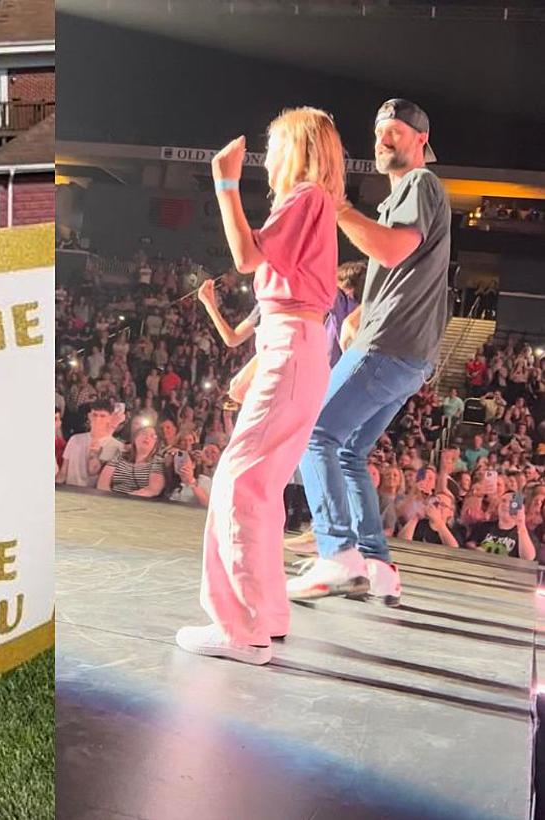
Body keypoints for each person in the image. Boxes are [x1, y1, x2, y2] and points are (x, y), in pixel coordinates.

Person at [176, 107, 346, 665]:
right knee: (261, 487)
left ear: (295, 148)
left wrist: (225, 181)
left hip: (292, 351)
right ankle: (265, 616)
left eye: (271, 148)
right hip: (295, 348)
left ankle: (240, 629)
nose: (265, 159)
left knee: (238, 483)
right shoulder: (313, 203)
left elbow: (247, 256)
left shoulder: (305, 197)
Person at [288, 99, 451, 608]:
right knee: (350, 450)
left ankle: (337, 554)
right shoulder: (402, 196)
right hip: (407, 354)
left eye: (397, 131)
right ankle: (377, 566)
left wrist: (338, 207)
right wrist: (364, 311)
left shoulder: (420, 185)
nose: (384, 139)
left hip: (391, 345)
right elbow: (402, 265)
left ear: (421, 140)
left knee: (315, 431)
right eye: (380, 131)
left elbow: (392, 250)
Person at [56, 398, 126, 487]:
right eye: (95, 415)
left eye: (102, 416)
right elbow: (63, 473)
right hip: (70, 493)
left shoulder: (118, 447)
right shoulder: (75, 439)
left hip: (95, 497)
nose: (97, 419)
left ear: (110, 418)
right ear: (89, 416)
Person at [96, 425, 166, 497]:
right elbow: (103, 482)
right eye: (144, 433)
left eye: (152, 436)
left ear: (156, 444)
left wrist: (127, 500)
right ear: (135, 438)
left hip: (138, 502)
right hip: (111, 498)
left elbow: (153, 489)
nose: (147, 437)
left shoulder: (157, 462)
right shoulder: (120, 456)